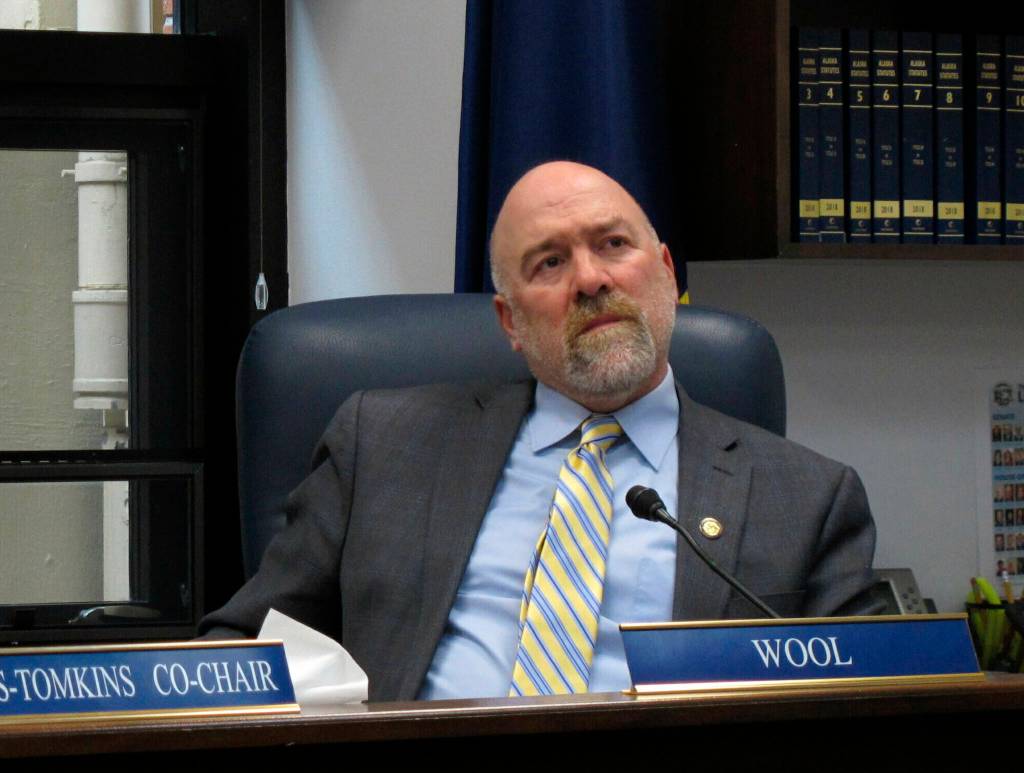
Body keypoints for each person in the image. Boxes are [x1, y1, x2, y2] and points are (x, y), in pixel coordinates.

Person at [200, 161, 878, 701]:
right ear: (509, 322)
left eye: (613, 244)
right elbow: (245, 645)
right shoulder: (383, 443)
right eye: (549, 263)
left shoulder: (809, 495)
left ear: (667, 275)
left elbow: (881, 699)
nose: (590, 279)